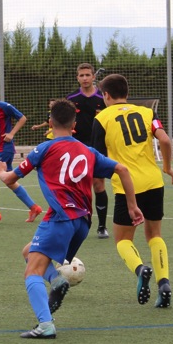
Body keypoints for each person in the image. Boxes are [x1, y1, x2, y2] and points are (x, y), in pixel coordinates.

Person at [0, 99, 144, 339]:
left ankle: (46, 325)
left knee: (31, 271)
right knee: (28, 252)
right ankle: (57, 280)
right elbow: (122, 170)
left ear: (50, 122)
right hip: (82, 222)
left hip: (60, 218)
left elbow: (10, 178)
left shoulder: (44, 148)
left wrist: (0, 169)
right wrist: (132, 207)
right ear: (74, 124)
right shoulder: (88, 151)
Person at [93, 73, 173, 309]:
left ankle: (141, 269)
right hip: (153, 182)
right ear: (127, 93)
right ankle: (164, 284)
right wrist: (167, 167)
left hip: (126, 186)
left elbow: (97, 159)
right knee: (155, 235)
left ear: (106, 95)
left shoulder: (101, 118)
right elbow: (166, 141)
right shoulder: (147, 112)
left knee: (122, 240)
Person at [0, 81, 43, 224]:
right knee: (9, 180)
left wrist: (11, 133)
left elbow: (22, 118)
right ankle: (34, 208)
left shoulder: (4, 107)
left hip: (5, 148)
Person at [67, 63, 109, 238]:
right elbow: (65, 122)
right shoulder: (71, 98)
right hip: (76, 147)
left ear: (93, 77)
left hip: (98, 146)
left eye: (87, 75)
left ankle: (101, 226)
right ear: (77, 78)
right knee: (76, 185)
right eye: (81, 75)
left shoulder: (103, 98)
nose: (84, 78)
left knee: (98, 185)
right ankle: (76, 224)